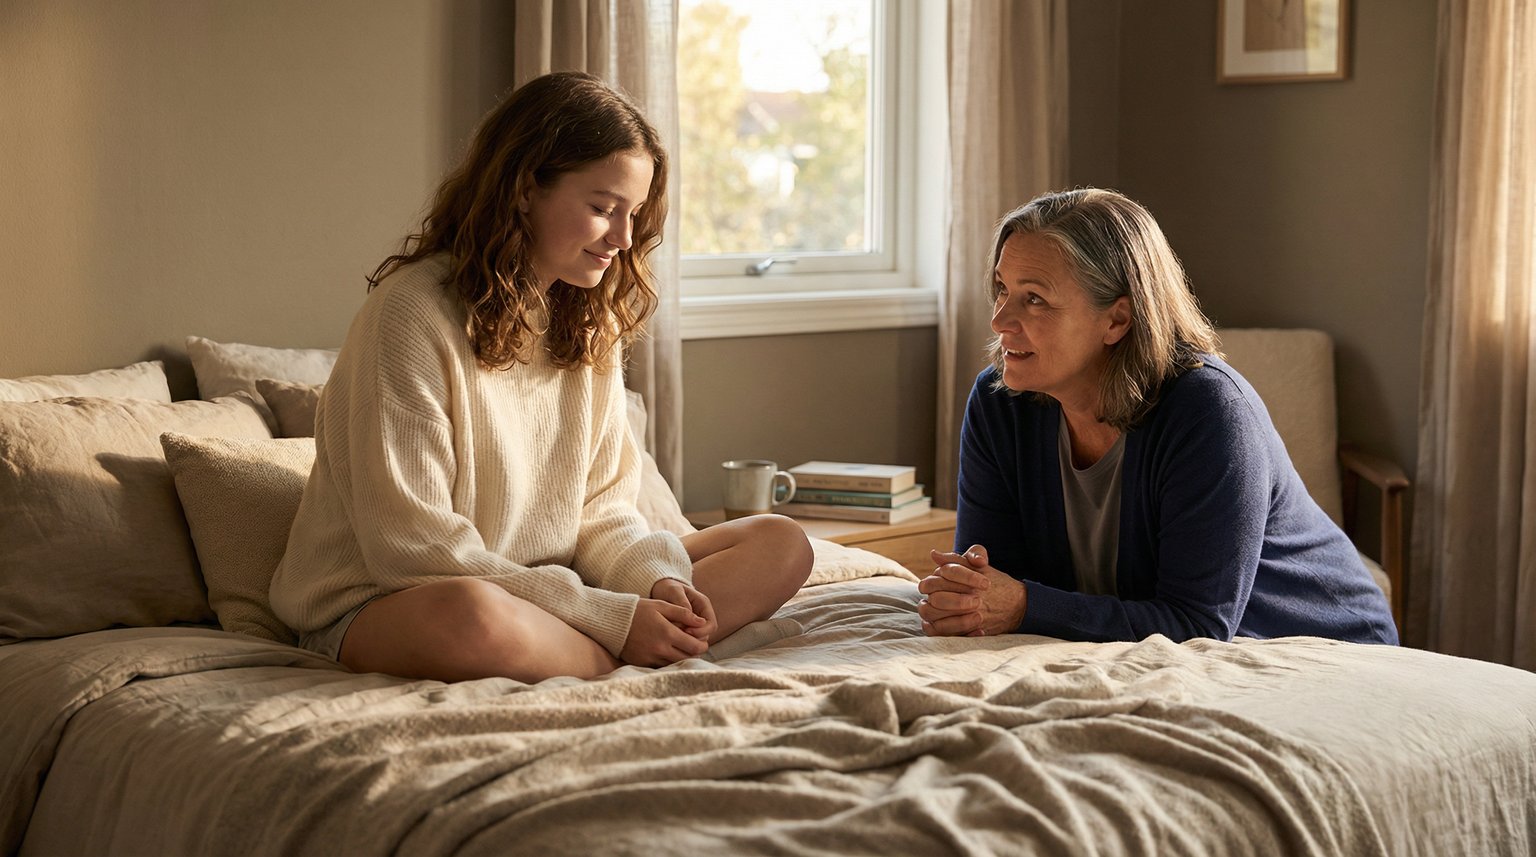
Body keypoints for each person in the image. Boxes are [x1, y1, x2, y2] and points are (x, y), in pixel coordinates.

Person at [269, 72, 813, 683]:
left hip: (554, 593)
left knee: (781, 541)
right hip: (394, 599)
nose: (624, 239)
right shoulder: (410, 314)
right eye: (603, 209)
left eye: (633, 213)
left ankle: (641, 645)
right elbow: (414, 551)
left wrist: (657, 584)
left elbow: (603, 512)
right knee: (471, 616)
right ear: (526, 190)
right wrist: (612, 617)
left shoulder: (588, 322)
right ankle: (639, 657)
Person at [919, 188, 1397, 645]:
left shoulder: (1210, 412)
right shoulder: (999, 402)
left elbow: (1198, 625)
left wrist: (1025, 606)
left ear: (1117, 321)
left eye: (1035, 298)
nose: (1000, 320)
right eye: (1002, 289)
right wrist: (968, 598)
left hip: (1322, 647)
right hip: (1144, 646)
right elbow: (992, 581)